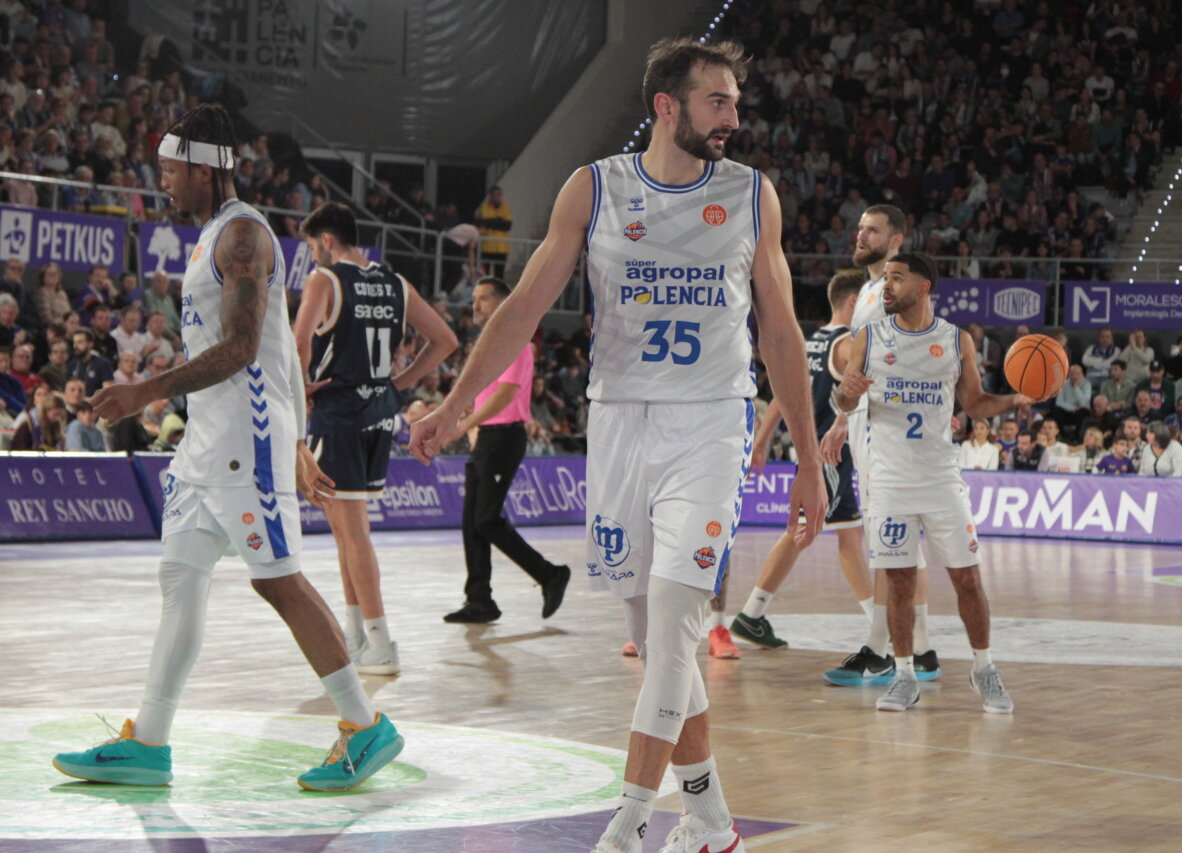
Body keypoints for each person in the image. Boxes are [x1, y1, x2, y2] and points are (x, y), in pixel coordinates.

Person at [408, 38, 825, 853]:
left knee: (674, 625)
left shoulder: (751, 195)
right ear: (667, 106)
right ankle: (712, 824)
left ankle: (628, 825)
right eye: (717, 101)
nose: (733, 118)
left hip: (710, 424)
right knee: (660, 642)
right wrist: (456, 406)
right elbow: (525, 308)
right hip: (619, 425)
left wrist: (808, 459)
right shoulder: (594, 189)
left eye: (736, 103)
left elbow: (780, 330)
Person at [51, 104, 403, 794]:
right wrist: (298, 437)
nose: (163, 182)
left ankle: (365, 726)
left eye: (171, 170)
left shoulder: (244, 234)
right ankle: (148, 742)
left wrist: (147, 390)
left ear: (206, 168)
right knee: (180, 579)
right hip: (207, 444)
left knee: (276, 580)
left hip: (246, 438)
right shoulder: (215, 236)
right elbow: (283, 350)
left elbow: (243, 349)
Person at [834, 251, 1025, 715]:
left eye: (897, 278)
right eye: (886, 279)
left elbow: (974, 404)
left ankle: (984, 669)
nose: (887, 286)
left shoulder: (957, 340)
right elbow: (845, 402)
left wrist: (1016, 399)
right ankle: (904, 676)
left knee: (968, 579)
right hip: (889, 481)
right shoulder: (868, 337)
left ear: (924, 287)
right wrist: (847, 395)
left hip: (941, 479)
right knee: (899, 584)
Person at [294, 201, 459, 674]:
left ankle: (381, 642)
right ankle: (355, 636)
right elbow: (446, 340)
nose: (313, 257)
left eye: (313, 247)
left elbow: (299, 343)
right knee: (346, 533)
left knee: (354, 535)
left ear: (327, 240)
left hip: (339, 415)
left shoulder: (325, 280)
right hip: (378, 416)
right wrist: (398, 385)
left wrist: (298, 390)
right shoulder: (395, 283)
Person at [728, 272, 897, 686]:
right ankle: (754, 612)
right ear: (855, 301)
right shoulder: (848, 345)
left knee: (845, 537)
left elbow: (784, 395)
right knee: (804, 531)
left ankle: (754, 614)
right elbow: (866, 389)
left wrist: (762, 440)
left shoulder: (809, 342)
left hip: (818, 452)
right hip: (829, 453)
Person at [819, 203, 937, 686]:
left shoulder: (894, 291)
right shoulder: (870, 289)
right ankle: (923, 650)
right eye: (861, 227)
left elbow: (881, 357)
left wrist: (841, 363)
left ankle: (878, 650)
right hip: (869, 420)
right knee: (901, 541)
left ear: (896, 241)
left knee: (888, 541)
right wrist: (842, 420)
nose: (861, 235)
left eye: (873, 230)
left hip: (888, 428)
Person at [427, 276, 572, 624]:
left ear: (503, 302)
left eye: (483, 299)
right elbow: (486, 395)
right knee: (472, 523)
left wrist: (464, 424)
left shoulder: (516, 341)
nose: (475, 305)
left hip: (505, 436)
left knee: (486, 519)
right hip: (488, 436)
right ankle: (479, 599)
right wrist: (470, 424)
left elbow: (506, 395)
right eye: (474, 299)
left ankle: (550, 574)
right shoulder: (490, 344)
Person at [474, 184, 512, 277]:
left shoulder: (505, 207)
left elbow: (507, 226)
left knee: (499, 276)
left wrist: (490, 222)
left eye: (499, 195)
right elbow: (482, 223)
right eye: (495, 195)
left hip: (501, 248)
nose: (497, 197)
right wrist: (498, 221)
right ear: (490, 196)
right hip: (487, 247)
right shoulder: (484, 207)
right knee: (485, 275)